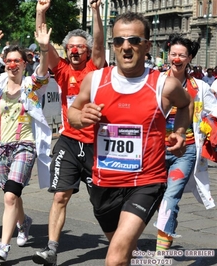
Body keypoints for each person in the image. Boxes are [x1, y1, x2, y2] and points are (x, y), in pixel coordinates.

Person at [67, 11, 192, 266]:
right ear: (112, 45)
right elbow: (72, 112)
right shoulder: (95, 80)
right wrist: (81, 118)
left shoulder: (163, 85)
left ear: (147, 45)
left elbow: (186, 104)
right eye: (118, 41)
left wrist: (179, 133)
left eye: (134, 40)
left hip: (147, 181)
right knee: (125, 253)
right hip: (103, 182)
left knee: (114, 259)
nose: (126, 47)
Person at [32, 0, 105, 265]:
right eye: (70, 47)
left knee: (101, 204)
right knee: (60, 195)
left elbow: (98, 43)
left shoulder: (95, 68)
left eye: (79, 47)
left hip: (98, 145)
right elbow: (44, 42)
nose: (74, 51)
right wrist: (41, 12)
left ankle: (120, 243)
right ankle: (51, 248)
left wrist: (96, 11)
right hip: (69, 142)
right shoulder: (62, 69)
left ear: (86, 52)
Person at [0, 24, 52, 261]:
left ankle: (3, 247)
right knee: (11, 193)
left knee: (8, 196)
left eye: (17, 61)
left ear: (25, 64)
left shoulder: (32, 86)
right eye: (9, 61)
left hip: (24, 146)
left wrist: (45, 50)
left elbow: (42, 73)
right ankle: (23, 221)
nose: (12, 64)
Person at [154, 34, 217, 253]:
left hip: (186, 151)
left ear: (189, 58)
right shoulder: (156, 80)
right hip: (155, 149)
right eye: (173, 54)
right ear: (168, 55)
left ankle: (160, 252)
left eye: (182, 55)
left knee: (171, 197)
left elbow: (215, 110)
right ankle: (167, 231)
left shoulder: (199, 86)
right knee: (153, 196)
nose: (177, 58)